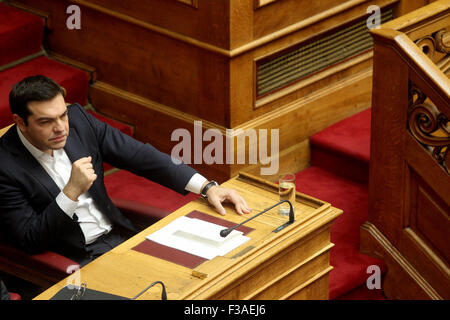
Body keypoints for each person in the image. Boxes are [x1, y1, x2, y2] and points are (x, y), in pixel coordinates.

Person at [0, 75, 251, 266]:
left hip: (122, 235)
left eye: (62, 115)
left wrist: (207, 187)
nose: (61, 128)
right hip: (79, 258)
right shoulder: (5, 166)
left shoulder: (78, 120)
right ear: (20, 122)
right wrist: (70, 192)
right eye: (46, 121)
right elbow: (29, 238)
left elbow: (138, 154)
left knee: (219, 263)